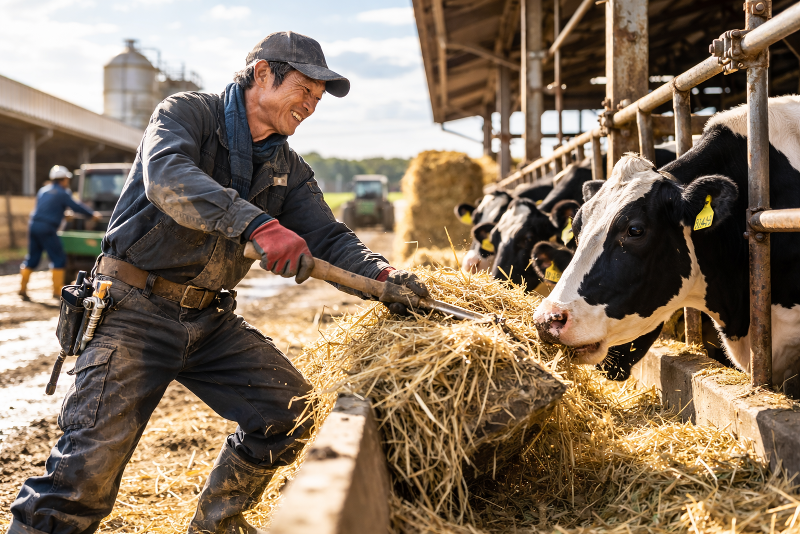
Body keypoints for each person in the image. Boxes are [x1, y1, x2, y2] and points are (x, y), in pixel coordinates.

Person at [7, 32, 428, 534]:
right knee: (80, 482)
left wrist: (383, 276)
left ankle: (217, 523)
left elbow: (329, 238)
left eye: (318, 99)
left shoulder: (287, 168)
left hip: (209, 322)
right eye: (305, 90)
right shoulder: (186, 113)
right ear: (262, 73)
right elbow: (167, 176)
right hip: (132, 311)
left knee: (289, 413)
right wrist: (257, 225)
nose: (311, 106)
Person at [19, 165, 101, 300]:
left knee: (32, 258)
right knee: (58, 259)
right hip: (47, 228)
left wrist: (62, 214)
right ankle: (57, 292)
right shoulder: (63, 193)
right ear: (63, 180)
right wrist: (92, 215)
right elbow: (76, 206)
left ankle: (22, 289)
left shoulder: (43, 191)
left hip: (34, 226)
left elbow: (46, 209)